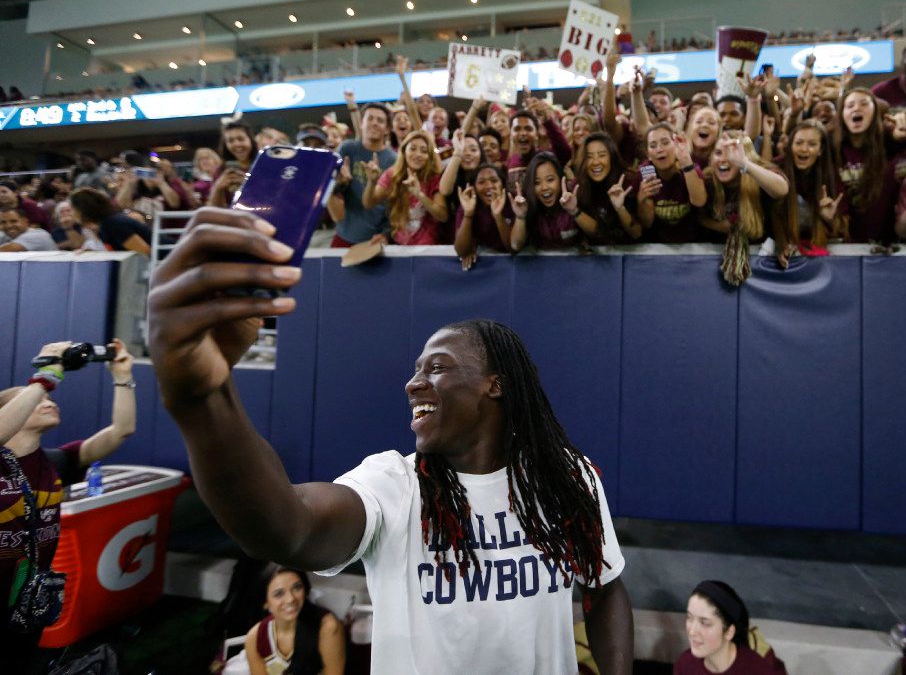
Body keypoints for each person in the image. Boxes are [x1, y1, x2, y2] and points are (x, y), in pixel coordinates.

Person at [146, 224, 634, 675]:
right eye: (417, 369)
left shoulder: (567, 477)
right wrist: (205, 399)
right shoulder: (395, 485)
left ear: (495, 385)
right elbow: (287, 529)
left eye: (436, 368)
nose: (413, 383)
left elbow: (606, 587)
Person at [1, 339, 136, 671]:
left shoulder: (57, 461)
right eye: (34, 398)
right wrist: (47, 373)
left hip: (25, 602)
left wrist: (123, 377)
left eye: (49, 398)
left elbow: (122, 430)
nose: (47, 400)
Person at [702, 132, 788, 285]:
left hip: (761, 265)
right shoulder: (707, 179)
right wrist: (719, 226)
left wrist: (745, 165)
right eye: (718, 153)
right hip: (714, 269)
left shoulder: (758, 173)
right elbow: (698, 217)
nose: (723, 159)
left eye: (731, 152)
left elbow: (781, 189)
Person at [224, 565, 344, 675]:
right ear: (265, 602)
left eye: (297, 587)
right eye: (279, 594)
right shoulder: (255, 639)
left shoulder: (327, 627)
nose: (290, 599)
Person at [673, 581, 786, 675]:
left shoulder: (759, 670)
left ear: (729, 632)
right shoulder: (684, 665)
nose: (692, 631)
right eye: (690, 618)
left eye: (704, 623)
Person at [773, 120, 845, 266]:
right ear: (790, 145)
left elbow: (840, 230)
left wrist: (828, 219)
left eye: (812, 144)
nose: (804, 149)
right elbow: (771, 215)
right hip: (782, 256)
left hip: (816, 258)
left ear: (820, 150)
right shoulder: (776, 170)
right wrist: (781, 245)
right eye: (799, 143)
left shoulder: (831, 176)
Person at [329, 102, 397, 247]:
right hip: (344, 234)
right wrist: (340, 184)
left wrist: (387, 233)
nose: (374, 123)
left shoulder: (394, 160)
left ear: (387, 129)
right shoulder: (347, 149)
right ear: (361, 123)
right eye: (370, 118)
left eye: (380, 120)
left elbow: (395, 203)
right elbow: (330, 190)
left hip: (375, 239)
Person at [362, 130, 447, 245]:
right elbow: (368, 203)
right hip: (400, 246)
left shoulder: (434, 178)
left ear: (429, 156)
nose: (418, 154)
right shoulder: (391, 175)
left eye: (424, 151)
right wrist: (372, 182)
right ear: (404, 151)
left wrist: (419, 194)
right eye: (413, 149)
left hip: (428, 249)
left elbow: (443, 216)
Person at [835, 88, 898, 244]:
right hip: (844, 243)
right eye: (850, 105)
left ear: (875, 113)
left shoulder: (890, 142)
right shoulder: (832, 148)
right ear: (842, 115)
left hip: (885, 243)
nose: (856, 108)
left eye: (864, 104)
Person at [637, 123, 708, 243]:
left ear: (676, 145)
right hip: (658, 246)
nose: (659, 149)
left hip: (694, 244)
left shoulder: (691, 168)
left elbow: (699, 201)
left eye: (665, 143)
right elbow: (647, 223)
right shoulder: (645, 173)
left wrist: (685, 161)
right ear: (648, 154)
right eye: (653, 146)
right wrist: (641, 199)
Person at [571, 132, 641, 245]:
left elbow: (636, 233)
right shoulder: (578, 187)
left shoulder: (627, 181)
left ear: (612, 157)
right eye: (589, 157)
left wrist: (620, 209)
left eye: (602, 155)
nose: (595, 162)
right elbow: (597, 234)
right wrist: (574, 210)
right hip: (597, 257)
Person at [509, 152, 581, 251]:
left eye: (550, 180)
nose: (544, 187)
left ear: (560, 179)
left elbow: (596, 234)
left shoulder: (574, 195)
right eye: (537, 182)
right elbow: (515, 246)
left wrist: (574, 211)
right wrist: (520, 217)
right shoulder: (525, 204)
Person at [454, 163, 512, 269]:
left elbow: (512, 247)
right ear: (474, 188)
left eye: (494, 180)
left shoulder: (512, 203)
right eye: (481, 182)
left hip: (513, 265)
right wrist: (468, 214)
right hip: (485, 268)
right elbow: (461, 251)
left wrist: (498, 216)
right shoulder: (467, 205)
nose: (489, 186)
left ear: (502, 184)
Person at [69, 186, 152, 255]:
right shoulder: (105, 225)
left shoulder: (113, 224)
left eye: (72, 209)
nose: (71, 213)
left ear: (83, 209)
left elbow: (145, 251)